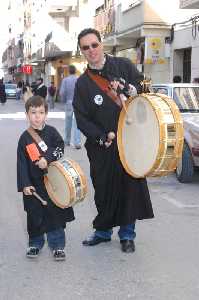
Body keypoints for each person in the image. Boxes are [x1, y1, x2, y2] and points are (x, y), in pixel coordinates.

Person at [73, 28, 154, 253]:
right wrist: (101, 137)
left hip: (130, 139)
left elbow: (145, 89)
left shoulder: (124, 66)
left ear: (102, 44)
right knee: (103, 188)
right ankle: (103, 232)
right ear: (82, 51)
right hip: (102, 146)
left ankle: (127, 235)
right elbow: (81, 117)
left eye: (94, 45)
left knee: (130, 187)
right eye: (85, 47)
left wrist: (128, 88)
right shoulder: (83, 84)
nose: (91, 50)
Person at [17, 95, 75, 260]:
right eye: (33, 112)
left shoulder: (52, 132)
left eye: (41, 112)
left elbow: (59, 148)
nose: (37, 116)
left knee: (54, 214)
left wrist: (47, 159)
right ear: (27, 115)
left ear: (46, 115)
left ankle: (57, 245)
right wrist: (25, 184)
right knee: (34, 215)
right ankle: (35, 243)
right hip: (34, 185)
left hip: (52, 182)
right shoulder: (24, 138)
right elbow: (21, 164)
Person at [60, 65, 81, 149]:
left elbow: (62, 92)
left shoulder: (65, 80)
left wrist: (64, 100)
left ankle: (67, 141)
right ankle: (77, 142)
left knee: (68, 123)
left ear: (69, 71)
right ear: (75, 71)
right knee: (77, 124)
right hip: (78, 104)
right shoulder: (79, 79)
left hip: (69, 103)